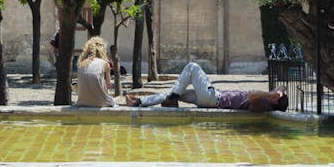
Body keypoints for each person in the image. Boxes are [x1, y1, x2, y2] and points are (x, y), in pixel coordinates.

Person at [125, 62, 288, 112]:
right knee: (176, 91)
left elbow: (252, 94)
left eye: (275, 95)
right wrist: (279, 91)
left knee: (192, 67)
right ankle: (140, 102)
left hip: (213, 98)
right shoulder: (268, 102)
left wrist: (269, 94)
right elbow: (281, 87)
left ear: (274, 101)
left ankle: (173, 97)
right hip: (208, 100)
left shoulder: (262, 102)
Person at [74, 36, 115, 108]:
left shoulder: (81, 64)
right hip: (101, 103)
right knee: (113, 101)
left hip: (81, 102)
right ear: (102, 50)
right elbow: (108, 85)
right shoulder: (104, 63)